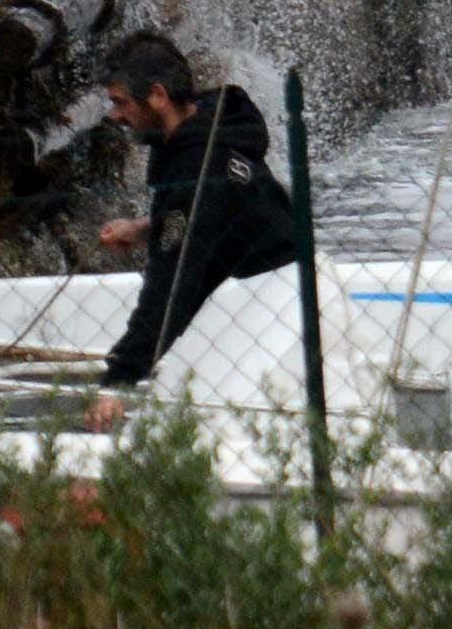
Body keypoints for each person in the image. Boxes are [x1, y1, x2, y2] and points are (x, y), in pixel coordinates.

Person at [87, 30, 300, 421]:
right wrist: (146, 227)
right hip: (291, 286)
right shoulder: (212, 121)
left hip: (277, 321)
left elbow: (171, 289)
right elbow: (215, 215)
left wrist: (118, 380)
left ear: (157, 95)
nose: (115, 115)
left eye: (120, 102)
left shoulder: (197, 171)